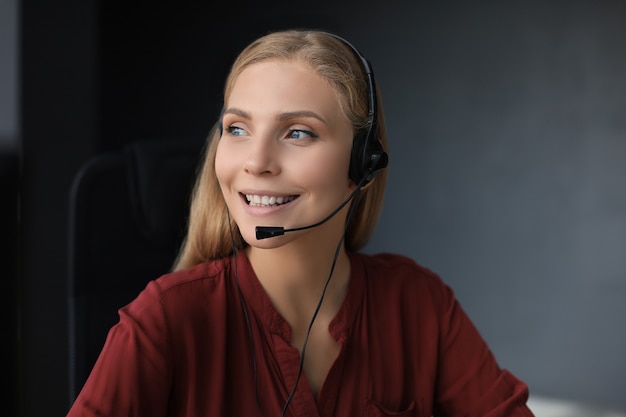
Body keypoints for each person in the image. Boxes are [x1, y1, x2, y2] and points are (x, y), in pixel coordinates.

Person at [67, 29, 535, 416]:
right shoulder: (165, 319)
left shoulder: (418, 304)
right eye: (237, 129)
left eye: (297, 133)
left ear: (363, 164)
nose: (257, 161)